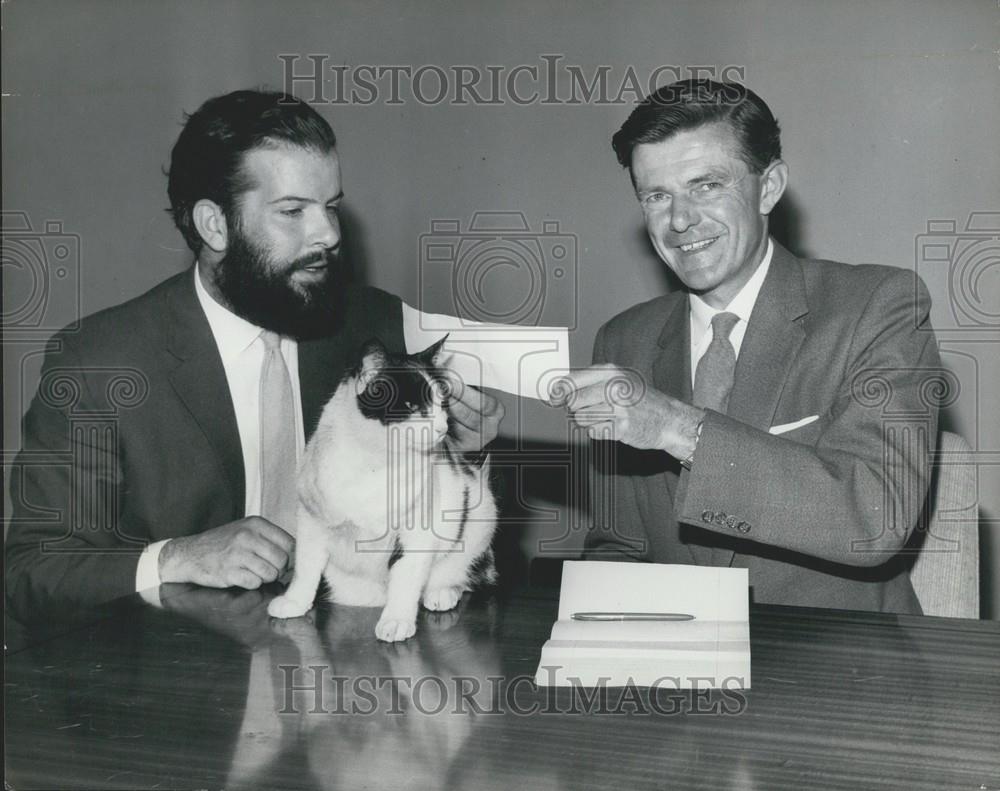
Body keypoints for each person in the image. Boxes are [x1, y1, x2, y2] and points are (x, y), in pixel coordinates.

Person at [5, 90, 504, 618]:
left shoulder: (375, 326)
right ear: (214, 225)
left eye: (331, 207)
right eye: (293, 211)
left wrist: (455, 446)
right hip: (180, 679)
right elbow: (32, 573)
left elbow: (431, 514)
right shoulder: (99, 361)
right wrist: (176, 557)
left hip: (347, 661)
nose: (329, 234)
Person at [557, 79, 941, 613]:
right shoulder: (625, 337)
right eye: (657, 195)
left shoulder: (878, 305)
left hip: (839, 669)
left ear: (769, 187)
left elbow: (874, 520)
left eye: (707, 185)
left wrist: (674, 426)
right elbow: (619, 545)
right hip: (676, 673)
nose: (680, 220)